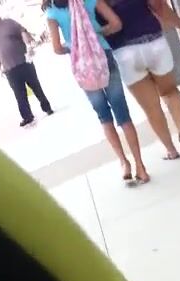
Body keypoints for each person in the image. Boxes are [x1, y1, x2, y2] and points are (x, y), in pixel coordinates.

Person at [43, 0, 149, 184]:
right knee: (123, 114)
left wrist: (77, 45)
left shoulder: (51, 11)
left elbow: (57, 48)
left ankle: (124, 163)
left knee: (104, 117)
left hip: (83, 65)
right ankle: (141, 167)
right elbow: (116, 24)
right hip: (103, 56)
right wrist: (96, 33)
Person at [105, 0, 180, 159]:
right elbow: (159, 6)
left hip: (124, 52)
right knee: (170, 91)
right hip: (154, 43)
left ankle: (171, 150)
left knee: (151, 108)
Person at [0, 5, 53, 127]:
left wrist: (28, 43)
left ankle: (47, 108)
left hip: (24, 62)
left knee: (36, 86)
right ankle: (27, 117)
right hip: (9, 69)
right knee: (19, 94)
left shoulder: (9, 23)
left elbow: (22, 31)